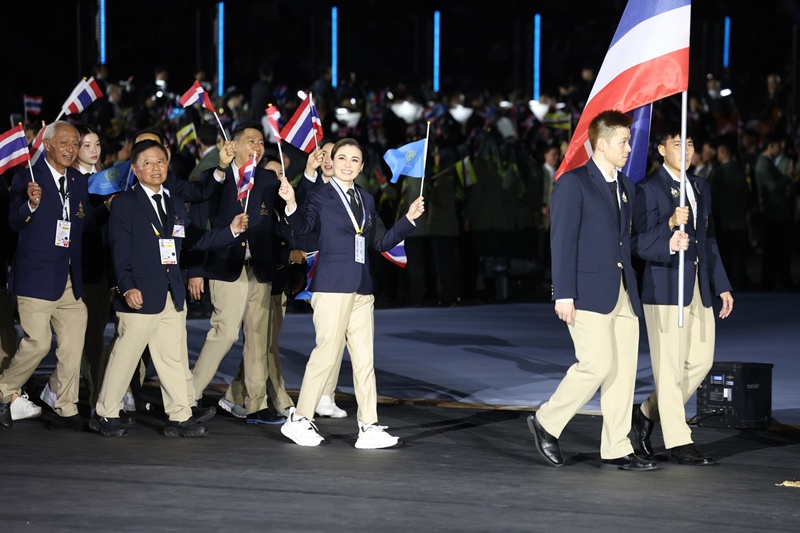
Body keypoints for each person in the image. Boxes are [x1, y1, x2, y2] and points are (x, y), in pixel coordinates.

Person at [89, 139, 248, 437]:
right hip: (138, 294)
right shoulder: (124, 203)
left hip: (171, 294)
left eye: (160, 161)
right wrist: (127, 287)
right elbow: (118, 252)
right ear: (135, 170)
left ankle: (180, 416)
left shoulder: (174, 202)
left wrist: (230, 231)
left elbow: (192, 241)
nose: (155, 168)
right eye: (147, 163)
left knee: (173, 357)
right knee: (125, 356)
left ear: (167, 164)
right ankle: (105, 413)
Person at [527, 110, 656, 471]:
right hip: (585, 292)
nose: (630, 148)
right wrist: (563, 292)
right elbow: (562, 240)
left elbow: (625, 243)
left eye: (629, 141)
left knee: (623, 372)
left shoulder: (627, 187)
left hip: (623, 293)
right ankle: (546, 421)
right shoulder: (573, 183)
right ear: (601, 144)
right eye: (623, 142)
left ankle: (617, 447)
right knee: (597, 365)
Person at [278, 138, 425, 448]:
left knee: (364, 360)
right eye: (341, 157)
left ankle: (369, 426)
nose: (347, 163)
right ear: (331, 161)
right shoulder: (320, 194)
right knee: (326, 355)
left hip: (361, 287)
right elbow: (302, 230)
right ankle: (300, 418)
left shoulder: (366, 199)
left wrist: (408, 219)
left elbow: (380, 243)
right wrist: (291, 203)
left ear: (361, 166)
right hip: (331, 286)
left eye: (354, 159)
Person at [630, 125, 734, 465]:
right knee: (669, 369)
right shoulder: (647, 189)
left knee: (701, 362)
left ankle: (645, 412)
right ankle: (678, 441)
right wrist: (669, 227)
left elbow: (710, 241)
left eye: (689, 144)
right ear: (661, 150)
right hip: (664, 290)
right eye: (678, 144)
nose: (686, 151)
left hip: (699, 288)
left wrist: (722, 284)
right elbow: (638, 243)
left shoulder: (701, 186)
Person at [187, 122, 285, 425]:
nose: (256, 146)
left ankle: (255, 404)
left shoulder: (269, 178)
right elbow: (197, 227)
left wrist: (309, 174)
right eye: (250, 140)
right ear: (234, 144)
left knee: (257, 336)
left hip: (259, 269)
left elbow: (292, 208)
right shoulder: (215, 178)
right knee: (225, 333)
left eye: (260, 142)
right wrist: (195, 269)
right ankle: (187, 396)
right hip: (224, 265)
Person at [0, 121, 89, 430]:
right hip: (36, 276)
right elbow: (14, 220)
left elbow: (79, 222)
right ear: (47, 145)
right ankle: (3, 390)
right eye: (64, 143)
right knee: (38, 343)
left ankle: (64, 403)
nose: (70, 149)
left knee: (73, 342)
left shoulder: (78, 180)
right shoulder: (27, 177)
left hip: (68, 278)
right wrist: (31, 204)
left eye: (75, 144)